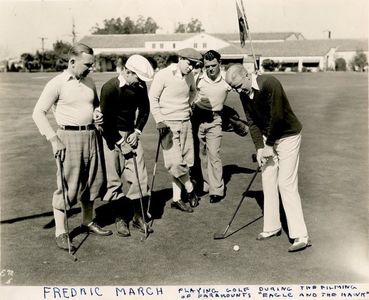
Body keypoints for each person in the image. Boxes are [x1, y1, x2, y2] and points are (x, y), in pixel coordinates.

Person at [32, 43, 112, 252]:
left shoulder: (89, 81)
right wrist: (53, 138)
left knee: (94, 181)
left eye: (92, 65)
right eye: (87, 65)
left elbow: (94, 105)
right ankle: (61, 232)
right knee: (68, 186)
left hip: (92, 135)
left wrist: (97, 113)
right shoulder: (57, 83)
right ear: (72, 62)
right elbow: (38, 113)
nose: (91, 68)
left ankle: (87, 222)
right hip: (67, 137)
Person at [225, 64, 310, 252]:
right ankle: (272, 227)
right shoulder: (243, 93)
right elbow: (253, 122)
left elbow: (277, 117)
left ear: (247, 75)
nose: (238, 91)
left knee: (286, 183)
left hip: (288, 135)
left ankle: (300, 235)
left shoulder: (270, 83)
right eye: (234, 89)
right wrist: (260, 148)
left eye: (239, 86)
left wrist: (269, 145)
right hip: (268, 137)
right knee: (268, 178)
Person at [100, 54, 154, 237]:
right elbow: (106, 123)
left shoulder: (139, 86)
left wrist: (137, 131)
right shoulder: (110, 88)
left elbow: (145, 110)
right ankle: (119, 218)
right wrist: (121, 142)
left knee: (140, 177)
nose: (139, 82)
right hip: (111, 137)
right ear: (128, 72)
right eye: (137, 78)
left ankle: (138, 218)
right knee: (113, 179)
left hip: (131, 134)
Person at [149, 48, 202, 213]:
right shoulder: (163, 75)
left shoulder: (190, 76)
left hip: (186, 122)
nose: (191, 67)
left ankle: (177, 199)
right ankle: (190, 189)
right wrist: (159, 120)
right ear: (180, 58)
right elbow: (153, 98)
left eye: (194, 65)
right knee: (174, 162)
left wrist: (189, 105)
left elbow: (193, 91)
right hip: (168, 125)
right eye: (189, 63)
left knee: (185, 161)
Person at [191, 50, 231, 203]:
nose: (210, 69)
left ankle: (217, 190)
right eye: (207, 66)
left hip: (215, 120)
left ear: (219, 64)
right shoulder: (198, 79)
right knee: (201, 155)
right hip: (198, 121)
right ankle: (206, 184)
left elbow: (243, 82)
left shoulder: (227, 80)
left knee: (214, 154)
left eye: (213, 65)